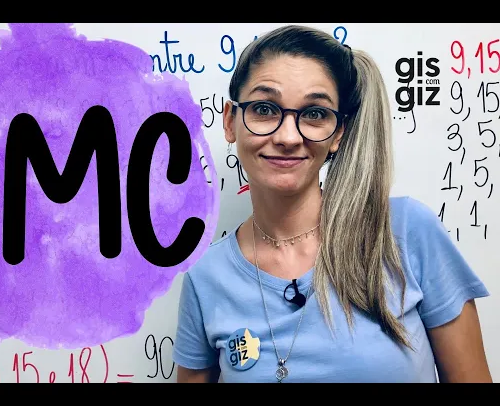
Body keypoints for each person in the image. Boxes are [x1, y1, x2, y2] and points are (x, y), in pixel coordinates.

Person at [172, 24, 492, 383]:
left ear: (338, 133)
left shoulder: (405, 232)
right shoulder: (206, 278)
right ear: (231, 121)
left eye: (314, 113)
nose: (288, 137)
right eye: (264, 108)